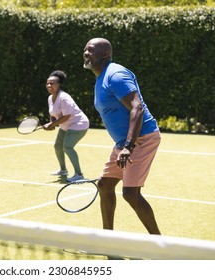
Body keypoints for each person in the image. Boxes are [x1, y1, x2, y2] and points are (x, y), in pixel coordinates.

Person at [83, 38, 161, 234]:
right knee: (105, 185)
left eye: (91, 50)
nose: (86, 53)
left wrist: (128, 145)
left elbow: (137, 108)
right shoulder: (100, 78)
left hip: (141, 139)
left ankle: (160, 244)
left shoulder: (115, 75)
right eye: (85, 50)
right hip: (124, 142)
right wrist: (124, 144)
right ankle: (108, 238)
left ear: (105, 54)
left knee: (131, 194)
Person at [43, 70, 90, 182]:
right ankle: (63, 170)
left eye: (52, 83)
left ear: (59, 84)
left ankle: (79, 175)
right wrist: (52, 123)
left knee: (67, 147)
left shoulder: (64, 97)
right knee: (57, 146)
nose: (49, 85)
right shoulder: (50, 98)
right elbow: (53, 113)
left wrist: (52, 124)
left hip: (78, 123)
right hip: (66, 125)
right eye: (48, 83)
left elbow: (67, 116)